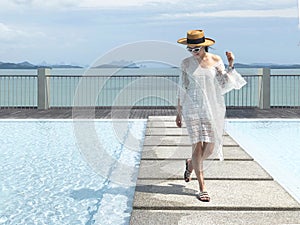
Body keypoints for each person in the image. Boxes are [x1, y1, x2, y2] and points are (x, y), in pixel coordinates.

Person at [176, 29, 246, 202]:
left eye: (196, 49)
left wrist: (231, 64)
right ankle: (202, 187)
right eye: (190, 49)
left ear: (203, 47)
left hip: (211, 106)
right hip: (191, 107)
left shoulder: (216, 60)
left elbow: (224, 83)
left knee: (211, 147)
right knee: (197, 146)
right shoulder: (185, 63)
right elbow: (181, 88)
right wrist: (178, 112)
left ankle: (191, 164)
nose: (193, 52)